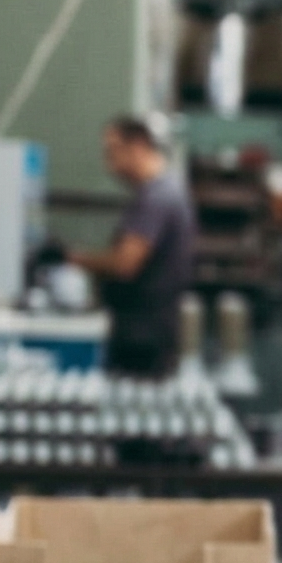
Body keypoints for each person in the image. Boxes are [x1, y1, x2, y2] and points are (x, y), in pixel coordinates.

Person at [73, 114, 196, 379]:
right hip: (146, 335)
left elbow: (124, 264)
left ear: (138, 145)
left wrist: (75, 259)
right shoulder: (165, 192)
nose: (109, 164)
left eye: (113, 151)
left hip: (143, 343)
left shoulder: (157, 198)